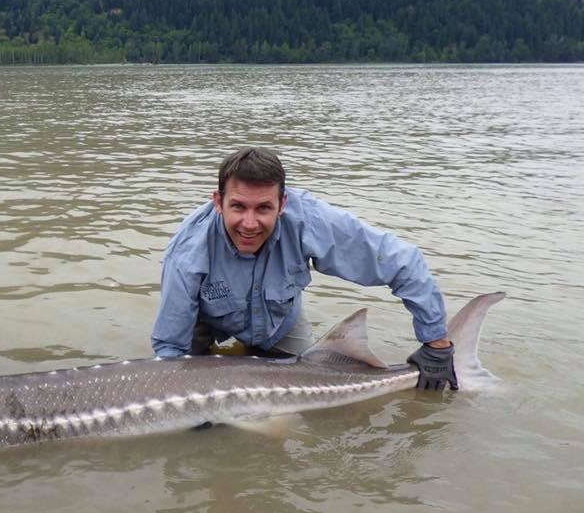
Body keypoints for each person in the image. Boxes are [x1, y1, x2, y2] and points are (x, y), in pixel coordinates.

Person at [151, 147, 457, 391]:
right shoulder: (188, 252)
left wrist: (437, 344)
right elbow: (170, 346)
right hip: (205, 319)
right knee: (185, 390)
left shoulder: (310, 222)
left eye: (264, 208)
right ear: (219, 202)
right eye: (238, 206)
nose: (249, 223)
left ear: (282, 204)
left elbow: (404, 263)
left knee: (313, 397)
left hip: (278, 323)